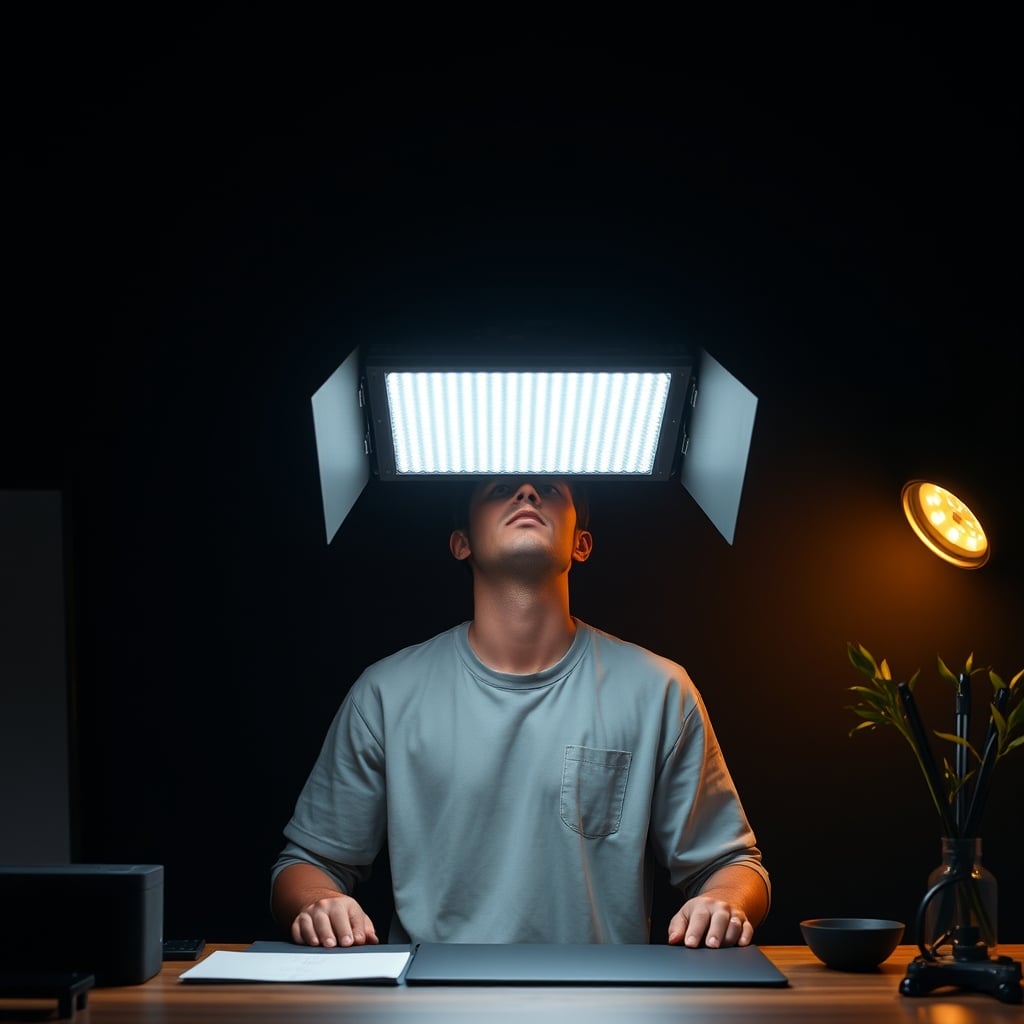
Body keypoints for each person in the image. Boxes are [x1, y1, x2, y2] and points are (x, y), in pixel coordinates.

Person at [271, 477, 770, 949]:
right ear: (461, 542)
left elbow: (733, 864)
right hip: (429, 1006)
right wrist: (318, 901)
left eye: (550, 488)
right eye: (501, 488)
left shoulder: (659, 690)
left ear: (582, 543)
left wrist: (724, 901)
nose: (528, 492)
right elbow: (307, 863)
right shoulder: (386, 693)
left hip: (606, 1005)